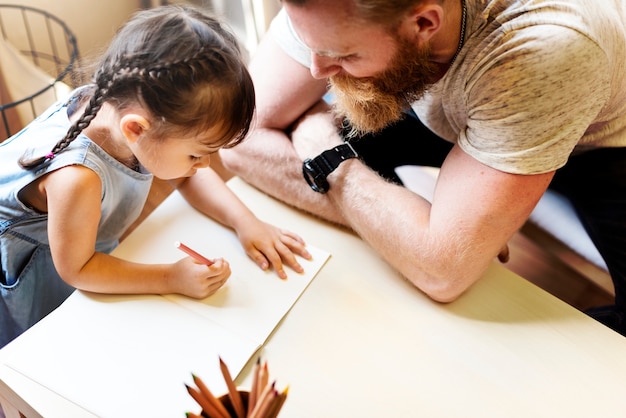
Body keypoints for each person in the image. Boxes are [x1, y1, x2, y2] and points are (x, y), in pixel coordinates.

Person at [220, 0, 626, 335]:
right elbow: (239, 137)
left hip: (601, 146)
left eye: (341, 54)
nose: (316, 70)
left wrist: (327, 154)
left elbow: (442, 273)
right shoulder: (331, 14)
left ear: (424, 22)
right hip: (461, 107)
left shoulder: (543, 46)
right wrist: (413, 230)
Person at [0, 4, 312, 348]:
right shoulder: (78, 178)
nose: (205, 165)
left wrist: (245, 222)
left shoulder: (122, 109)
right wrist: (170, 277)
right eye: (196, 154)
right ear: (136, 129)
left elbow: (187, 177)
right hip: (35, 268)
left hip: (72, 241)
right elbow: (78, 268)